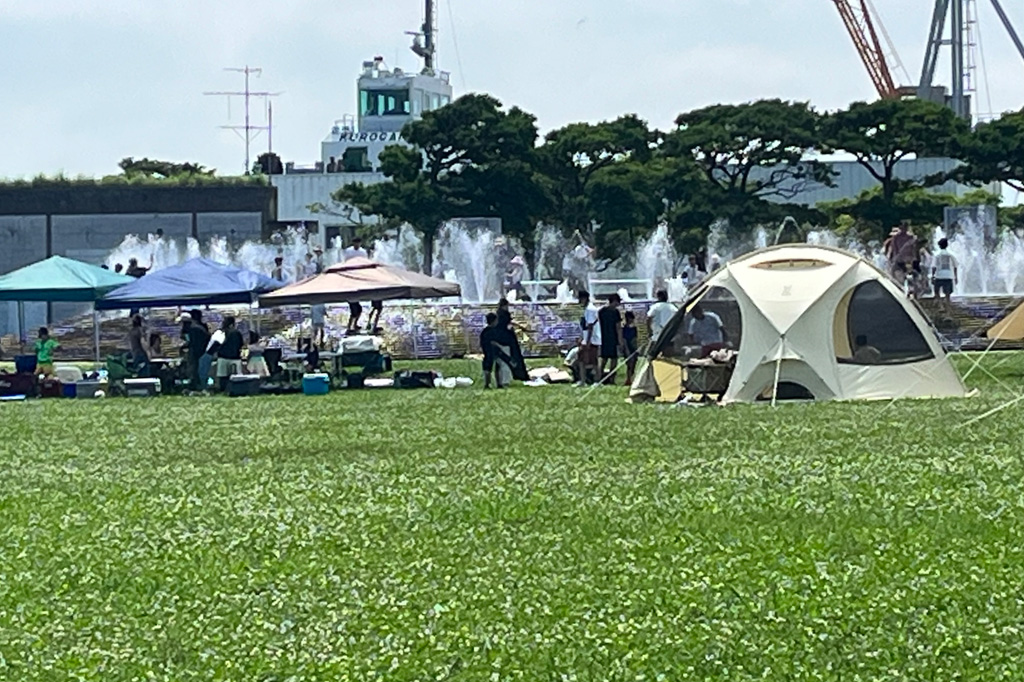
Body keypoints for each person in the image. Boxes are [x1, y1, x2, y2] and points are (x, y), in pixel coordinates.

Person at [494, 298, 529, 386]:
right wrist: (520, 326)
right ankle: (512, 377)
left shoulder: (499, 314)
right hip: (506, 339)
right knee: (510, 358)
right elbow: (508, 323)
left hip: (502, 338)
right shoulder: (503, 314)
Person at [598, 293, 624, 384]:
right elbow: (618, 327)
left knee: (604, 359)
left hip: (603, 338)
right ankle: (611, 379)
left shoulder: (601, 311)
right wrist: (620, 341)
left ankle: (600, 378)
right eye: (618, 302)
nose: (618, 304)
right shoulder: (615, 312)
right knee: (613, 359)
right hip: (612, 338)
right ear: (614, 301)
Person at [578, 289, 601, 385]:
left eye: (580, 299)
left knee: (593, 361)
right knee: (581, 360)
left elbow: (590, 327)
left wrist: (587, 342)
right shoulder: (587, 309)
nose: (579, 301)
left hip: (592, 340)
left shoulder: (590, 310)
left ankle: (597, 380)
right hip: (587, 339)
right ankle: (582, 380)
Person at [215, 316, 244, 392]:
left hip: (223, 356)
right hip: (235, 357)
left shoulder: (221, 332)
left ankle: (223, 389)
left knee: (223, 375)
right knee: (237, 376)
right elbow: (241, 344)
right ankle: (236, 389)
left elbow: (216, 344)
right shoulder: (237, 332)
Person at [185, 309, 211, 391]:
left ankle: (195, 386)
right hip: (203, 352)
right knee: (202, 371)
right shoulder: (203, 327)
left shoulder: (192, 328)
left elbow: (191, 341)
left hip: (195, 353)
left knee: (194, 370)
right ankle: (201, 386)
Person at [931, 237, 958, 303]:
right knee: (948, 293)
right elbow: (955, 266)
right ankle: (948, 306)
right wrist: (956, 277)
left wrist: (933, 275)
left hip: (939, 275)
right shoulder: (951, 254)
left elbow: (934, 266)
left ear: (939, 246)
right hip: (949, 275)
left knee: (936, 291)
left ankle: (941, 305)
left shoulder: (937, 255)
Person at [479, 312, 499, 389]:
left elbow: (482, 341)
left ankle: (487, 383)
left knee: (487, 367)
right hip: (494, 351)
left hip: (486, 351)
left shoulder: (484, 331)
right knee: (497, 366)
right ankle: (498, 383)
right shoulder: (494, 331)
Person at [623, 310, 639, 385]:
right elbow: (624, 339)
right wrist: (626, 349)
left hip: (633, 347)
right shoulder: (624, 328)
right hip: (627, 347)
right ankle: (628, 378)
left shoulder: (634, 328)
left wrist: (637, 348)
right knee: (629, 363)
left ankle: (632, 378)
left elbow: (635, 338)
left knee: (634, 363)